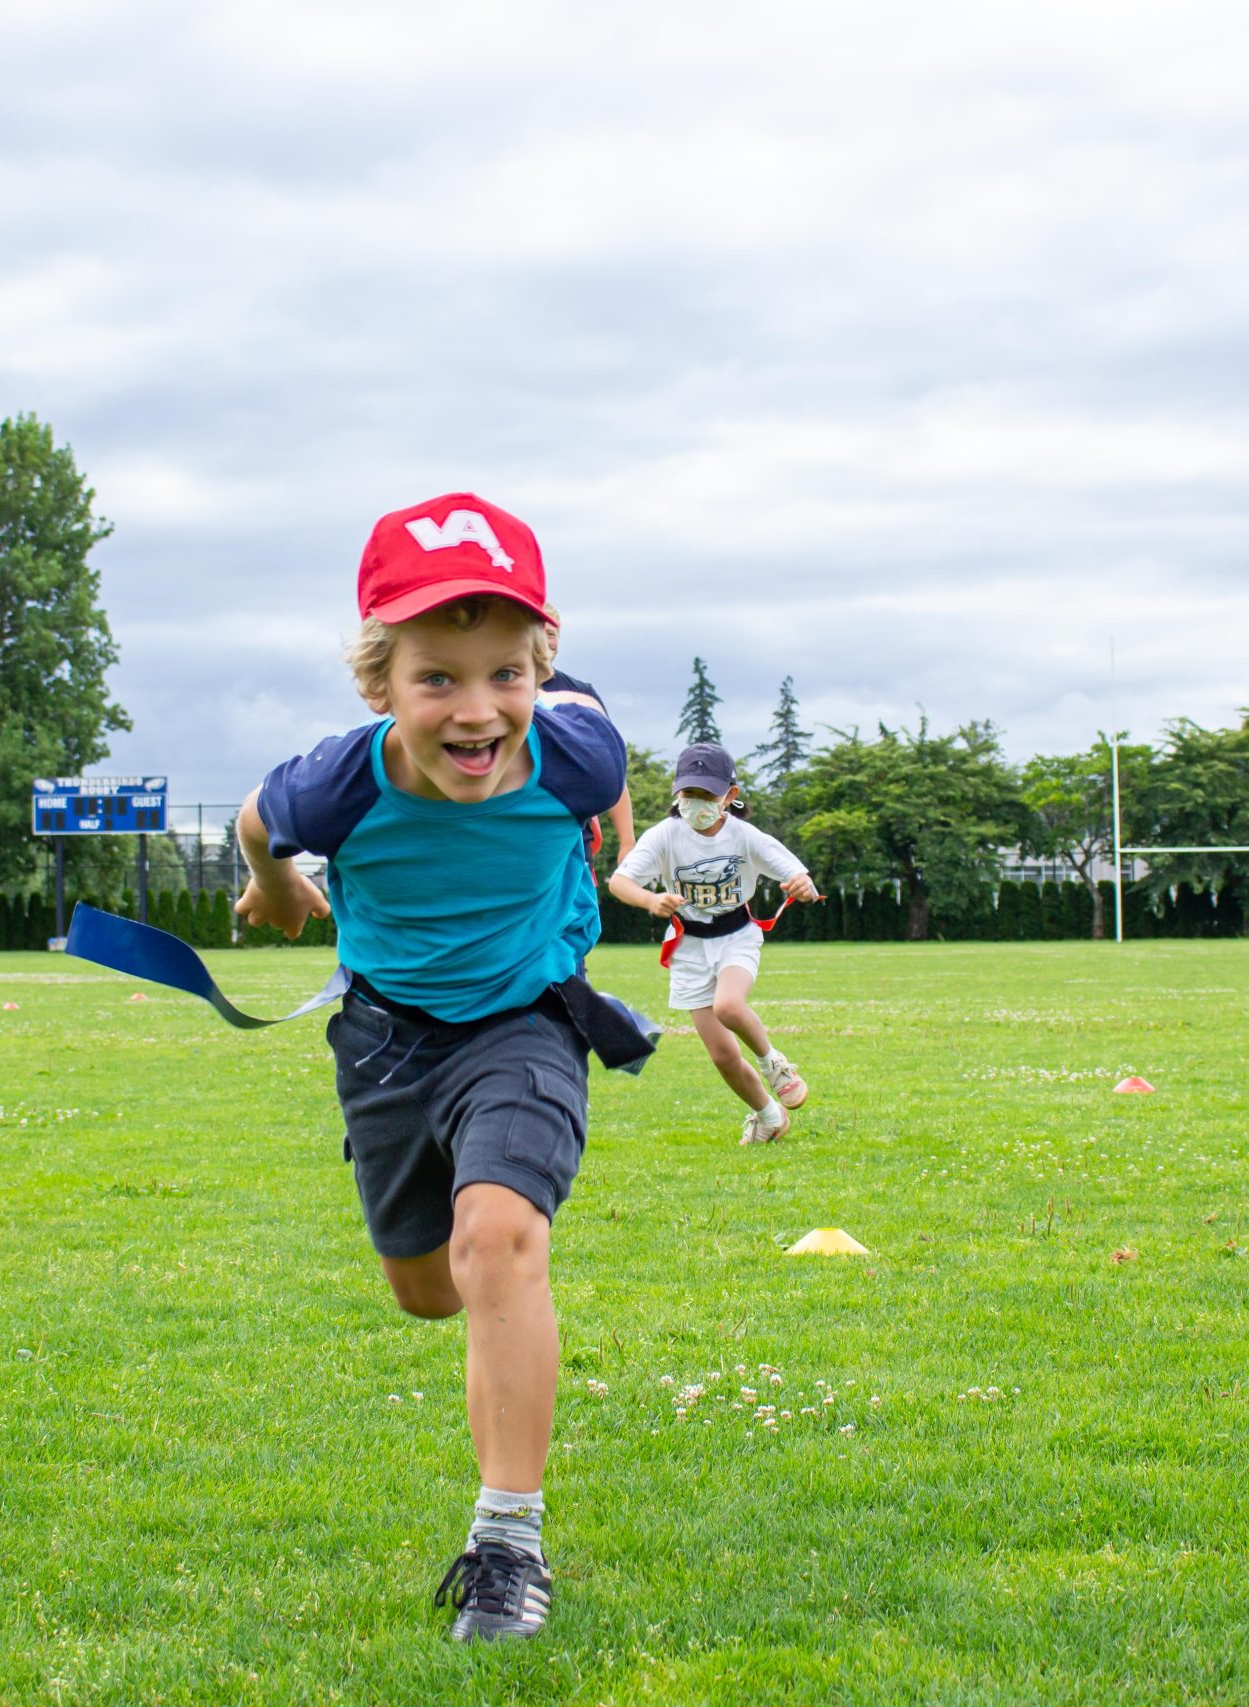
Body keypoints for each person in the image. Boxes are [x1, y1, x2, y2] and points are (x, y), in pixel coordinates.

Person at [235, 493, 635, 1642]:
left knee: (501, 1240)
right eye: (437, 680)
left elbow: (605, 791)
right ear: (378, 685)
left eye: (506, 674)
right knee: (428, 1291)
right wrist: (273, 889)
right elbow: (261, 828)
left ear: (541, 670)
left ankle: (507, 1546)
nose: (477, 711)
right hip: (386, 1039)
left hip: (527, 1023)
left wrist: (598, 837)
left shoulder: (577, 746)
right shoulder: (335, 783)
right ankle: (486, 1286)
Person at [607, 741, 821, 1144]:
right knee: (722, 1056)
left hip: (736, 935)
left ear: (730, 796)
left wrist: (803, 886)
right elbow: (620, 882)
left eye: (708, 795)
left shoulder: (746, 837)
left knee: (728, 1006)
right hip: (689, 946)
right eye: (689, 794)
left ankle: (774, 1063)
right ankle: (768, 1116)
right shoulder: (666, 836)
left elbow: (798, 875)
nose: (697, 803)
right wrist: (651, 899)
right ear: (677, 793)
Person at [537, 606, 635, 883]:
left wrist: (627, 841)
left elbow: (612, 767)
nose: (546, 641)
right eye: (538, 632)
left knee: (577, 918)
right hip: (523, 824)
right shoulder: (496, 686)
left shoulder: (582, 695)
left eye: (552, 634)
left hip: (574, 829)